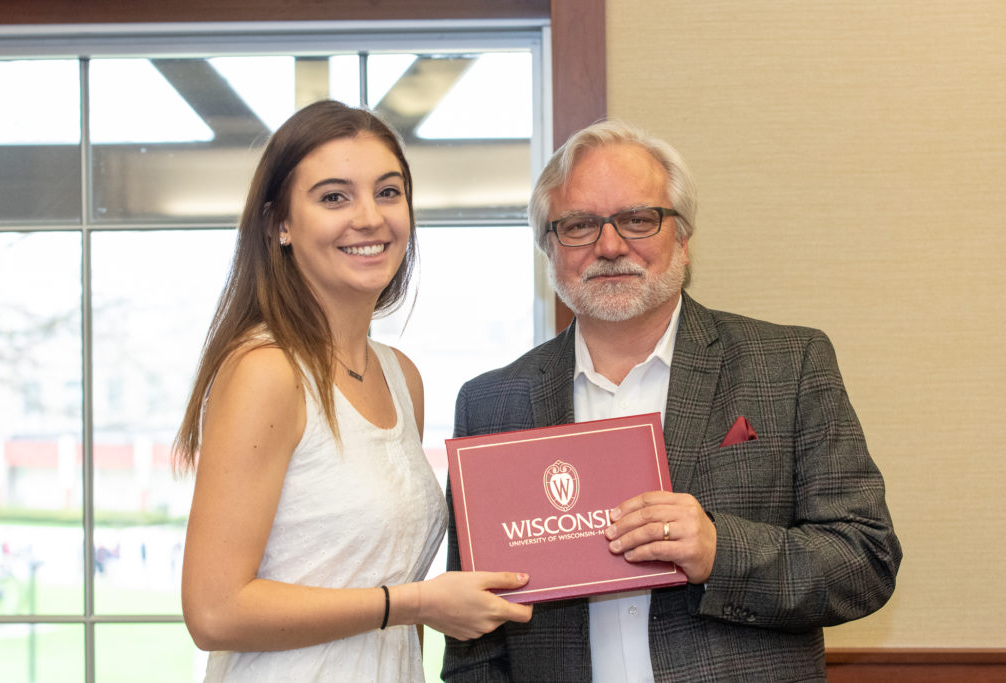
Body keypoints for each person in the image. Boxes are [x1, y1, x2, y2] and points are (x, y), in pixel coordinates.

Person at [442, 119, 902, 682]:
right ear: (548, 248)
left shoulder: (789, 363)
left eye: (638, 219)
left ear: (682, 238)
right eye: (580, 225)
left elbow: (865, 561)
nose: (610, 246)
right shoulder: (491, 403)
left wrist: (718, 551)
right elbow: (476, 640)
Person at [174, 100, 532, 682]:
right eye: (334, 197)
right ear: (279, 225)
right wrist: (414, 602)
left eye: (388, 192)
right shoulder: (268, 371)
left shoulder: (401, 376)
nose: (369, 218)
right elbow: (215, 612)